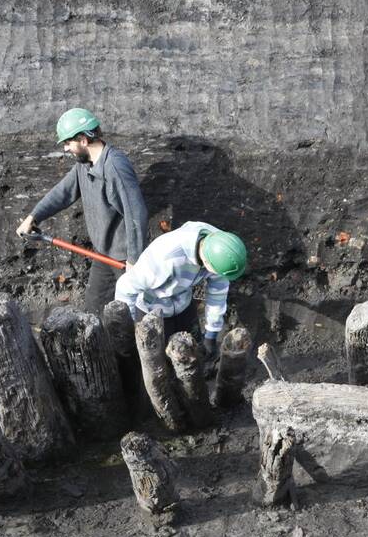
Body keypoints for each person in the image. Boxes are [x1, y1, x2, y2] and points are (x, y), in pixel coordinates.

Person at [16, 108, 148, 314]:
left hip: (124, 259)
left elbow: (136, 214)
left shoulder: (114, 166)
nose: (66, 149)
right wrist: (34, 216)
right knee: (93, 310)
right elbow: (63, 191)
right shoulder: (84, 165)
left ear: (84, 140)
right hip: (103, 256)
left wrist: (134, 260)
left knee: (134, 316)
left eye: (68, 143)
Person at [114, 221, 247, 361]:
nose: (218, 275)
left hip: (183, 301)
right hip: (151, 309)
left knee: (192, 352)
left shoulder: (223, 249)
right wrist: (130, 332)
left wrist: (211, 334)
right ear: (207, 262)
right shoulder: (165, 259)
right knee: (160, 360)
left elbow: (218, 292)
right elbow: (125, 288)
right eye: (216, 272)